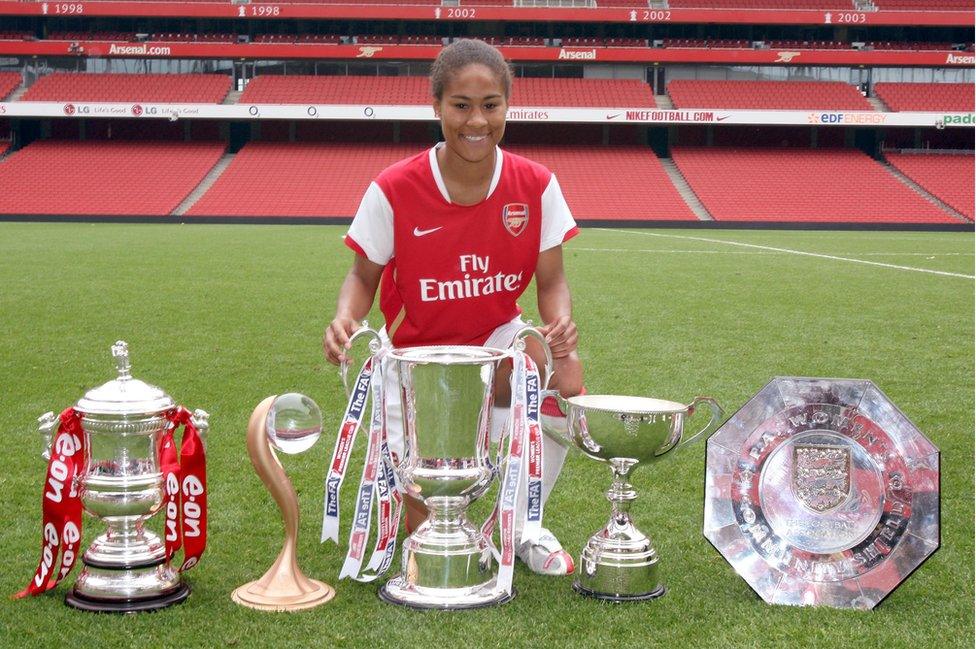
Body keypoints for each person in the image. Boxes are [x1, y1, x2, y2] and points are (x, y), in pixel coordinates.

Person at [323, 38, 583, 576]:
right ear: (437, 106)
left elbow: (551, 279)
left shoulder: (536, 185)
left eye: (490, 105)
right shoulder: (394, 187)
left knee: (554, 381)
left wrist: (561, 334)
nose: (476, 120)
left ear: (508, 107)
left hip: (494, 337)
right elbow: (362, 275)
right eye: (460, 105)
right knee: (426, 531)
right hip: (416, 356)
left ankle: (524, 527)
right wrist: (346, 319)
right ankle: (440, 516)